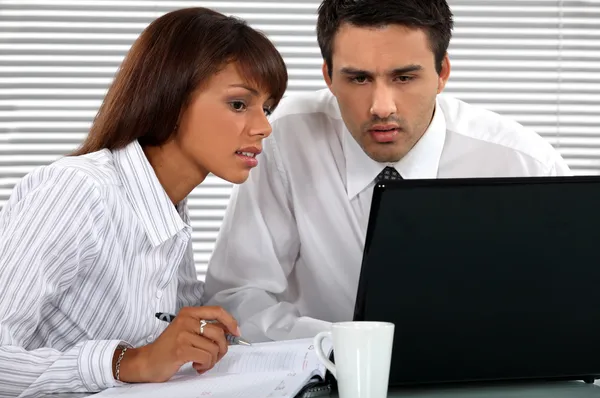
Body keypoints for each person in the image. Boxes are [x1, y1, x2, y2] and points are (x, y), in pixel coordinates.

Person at [204, 0, 571, 342]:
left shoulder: (524, 163)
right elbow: (237, 295)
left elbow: (570, 301)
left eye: (404, 78)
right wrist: (350, 349)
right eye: (359, 79)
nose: (381, 107)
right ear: (328, 77)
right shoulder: (282, 140)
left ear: (441, 73)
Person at [0, 7, 287, 398]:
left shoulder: (171, 210)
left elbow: (167, 348)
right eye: (239, 104)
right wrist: (129, 362)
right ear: (170, 98)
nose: (264, 126)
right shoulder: (77, 191)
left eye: (267, 108)